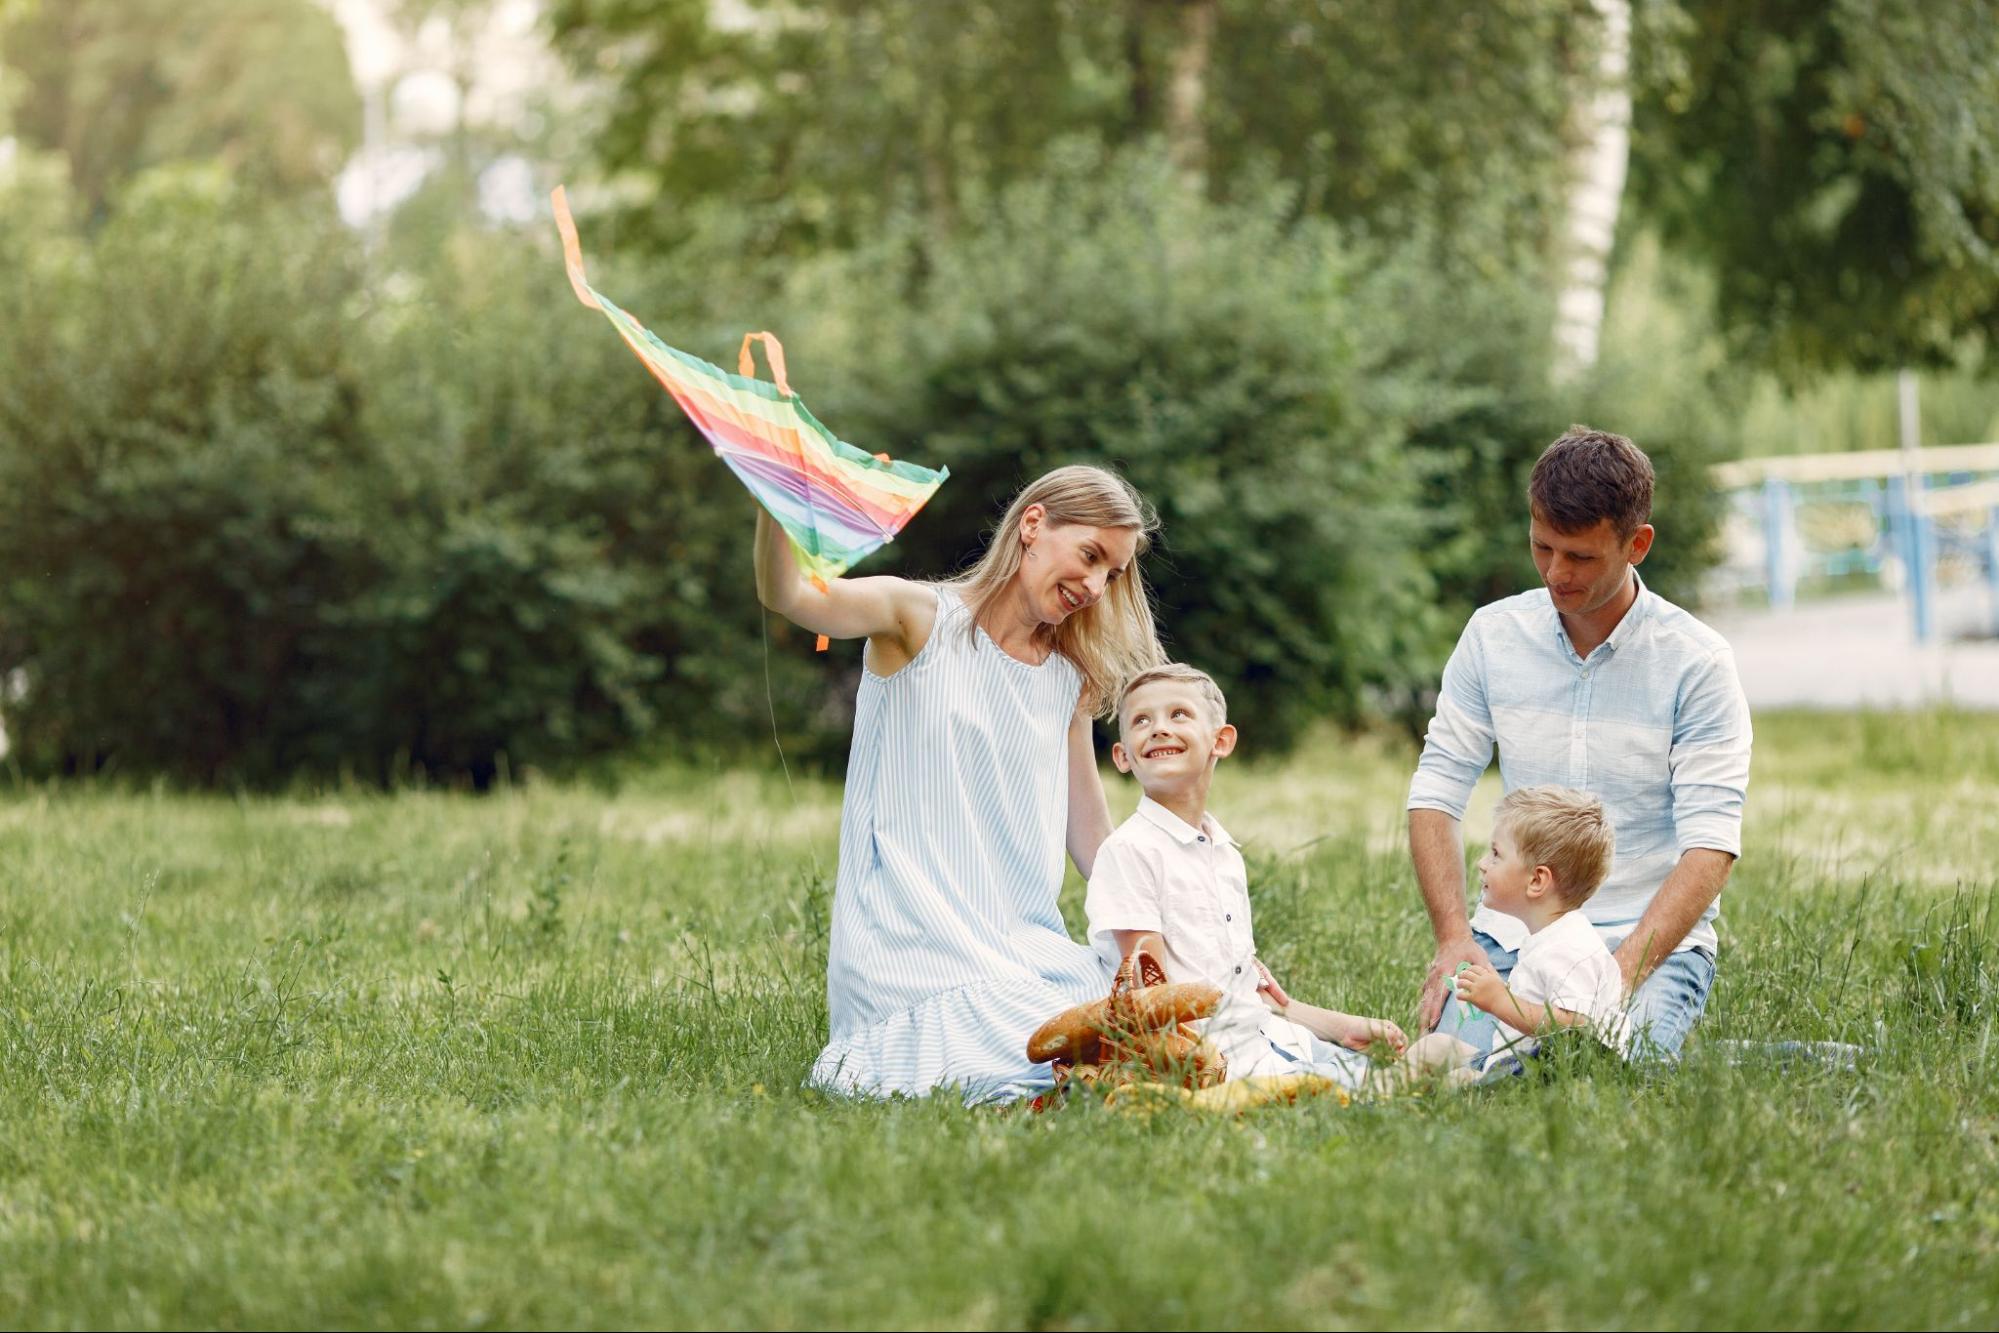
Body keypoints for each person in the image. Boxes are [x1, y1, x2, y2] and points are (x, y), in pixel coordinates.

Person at [755, 464, 1163, 1103]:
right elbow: (794, 596)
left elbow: (1091, 836)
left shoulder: (1065, 675)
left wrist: (1153, 931)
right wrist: (775, 497)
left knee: (1151, 1012)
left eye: (1110, 573)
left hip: (1025, 949)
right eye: (1089, 555)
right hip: (913, 948)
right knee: (1041, 1044)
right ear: (1033, 525)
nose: (1094, 585)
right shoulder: (915, 619)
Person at [1408, 427, 1752, 1061]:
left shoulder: (1697, 662)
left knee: (1605, 1070)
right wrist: (1454, 937)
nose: (1555, 573)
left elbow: (1712, 846)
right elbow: (1435, 793)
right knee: (1453, 1072)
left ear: (1637, 544)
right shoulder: (1492, 635)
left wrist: (1614, 978)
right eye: (1543, 547)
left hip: (1639, 941)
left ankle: (1731, 1052)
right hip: (1512, 936)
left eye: (1582, 558)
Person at [1083, 664, 1405, 1089]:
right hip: (1213, 1060)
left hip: (1266, 1038)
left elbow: (1247, 993)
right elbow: (1150, 997)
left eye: (1178, 714)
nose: (1158, 729)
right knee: (1406, 1079)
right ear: (1123, 756)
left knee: (1429, 1064)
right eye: (1142, 720)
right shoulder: (1130, 852)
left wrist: (1337, 1025)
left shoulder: (1223, 854)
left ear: (1221, 741)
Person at [1397, 786, 1628, 1084]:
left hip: (1536, 1074)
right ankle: (1391, 1078)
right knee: (1436, 1047)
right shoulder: (1549, 937)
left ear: (1536, 880)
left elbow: (1577, 1026)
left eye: (1496, 855)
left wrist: (1500, 1001)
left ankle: (1380, 1090)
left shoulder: (1569, 948)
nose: (1482, 863)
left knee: (1451, 1082)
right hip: (1513, 1060)